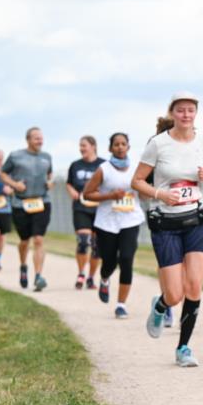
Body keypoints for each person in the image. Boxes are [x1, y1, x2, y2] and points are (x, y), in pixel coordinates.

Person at [133, 92, 203, 367]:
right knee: (175, 294)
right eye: (180, 110)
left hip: (196, 219)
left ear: (196, 113)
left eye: (190, 110)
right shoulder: (158, 145)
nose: (186, 115)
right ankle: (161, 305)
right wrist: (160, 194)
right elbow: (137, 182)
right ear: (172, 113)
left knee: (194, 285)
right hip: (165, 223)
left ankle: (183, 347)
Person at [82, 133, 144, 319]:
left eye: (123, 144)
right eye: (116, 144)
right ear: (110, 148)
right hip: (107, 222)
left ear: (128, 147)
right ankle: (104, 278)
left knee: (126, 259)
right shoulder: (103, 169)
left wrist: (144, 191)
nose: (120, 147)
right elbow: (87, 194)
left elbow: (144, 192)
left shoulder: (136, 168)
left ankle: (121, 304)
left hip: (130, 219)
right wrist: (109, 196)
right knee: (109, 261)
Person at [0, 127, 54, 292]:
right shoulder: (16, 156)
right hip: (20, 204)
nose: (40, 141)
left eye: (41, 138)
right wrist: (15, 184)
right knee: (25, 241)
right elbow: (3, 174)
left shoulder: (47, 157)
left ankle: (38, 276)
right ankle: (23, 266)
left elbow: (50, 174)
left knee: (38, 239)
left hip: (41, 202)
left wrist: (50, 182)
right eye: (36, 138)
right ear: (28, 140)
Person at [66, 136, 105, 290]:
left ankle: (91, 277)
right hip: (81, 208)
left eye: (84, 145)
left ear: (93, 146)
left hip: (99, 208)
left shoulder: (103, 164)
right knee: (83, 241)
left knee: (97, 246)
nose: (81, 148)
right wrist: (72, 192)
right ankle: (81, 273)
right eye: (80, 146)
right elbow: (68, 183)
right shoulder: (75, 165)